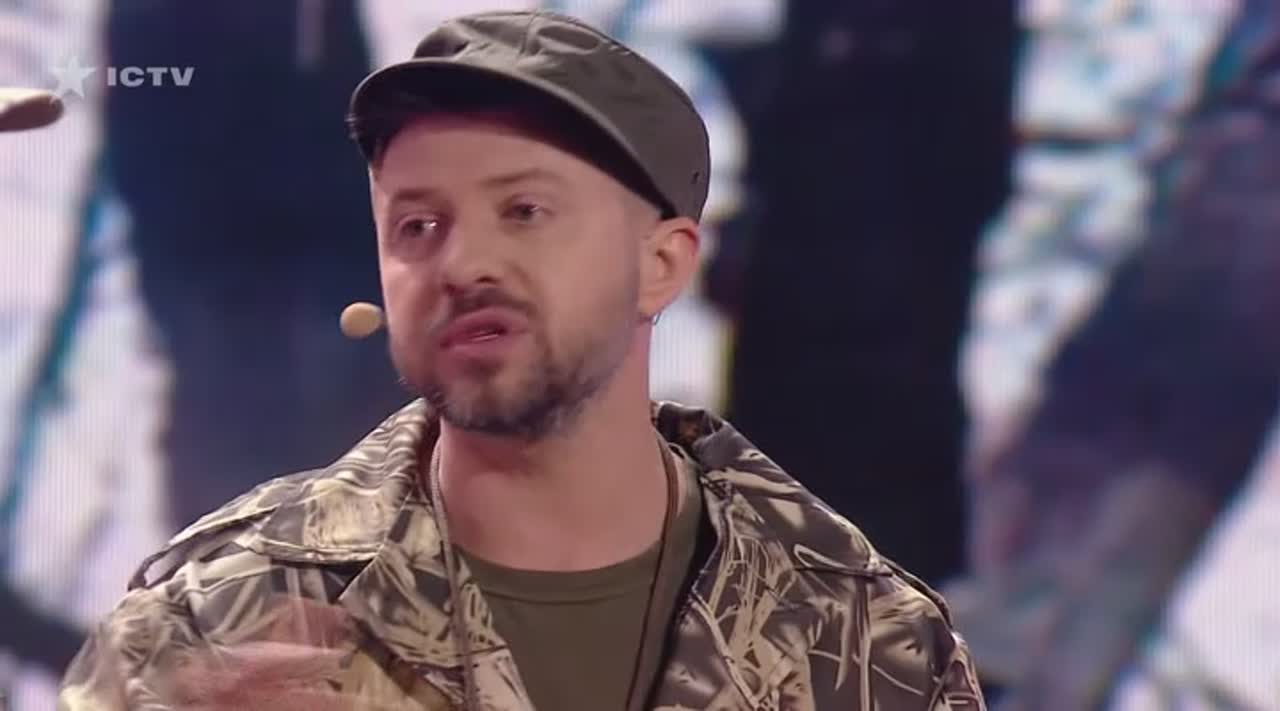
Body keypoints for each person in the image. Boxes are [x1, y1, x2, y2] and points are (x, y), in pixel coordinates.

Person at [58, 11, 985, 710]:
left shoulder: (864, 643)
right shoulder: (212, 624)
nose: (462, 263)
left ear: (661, 264)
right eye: (418, 224)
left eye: (525, 211)